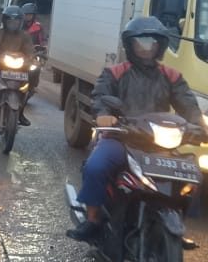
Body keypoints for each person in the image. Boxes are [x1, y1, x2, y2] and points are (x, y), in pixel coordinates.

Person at [67, 16, 206, 243]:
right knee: (95, 166)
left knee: (191, 173)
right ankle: (92, 220)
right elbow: (101, 96)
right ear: (130, 45)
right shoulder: (115, 72)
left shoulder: (171, 76)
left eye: (151, 42)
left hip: (158, 142)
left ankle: (177, 222)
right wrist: (104, 114)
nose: (146, 47)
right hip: (122, 138)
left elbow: (188, 106)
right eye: (140, 42)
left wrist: (198, 127)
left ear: (159, 45)